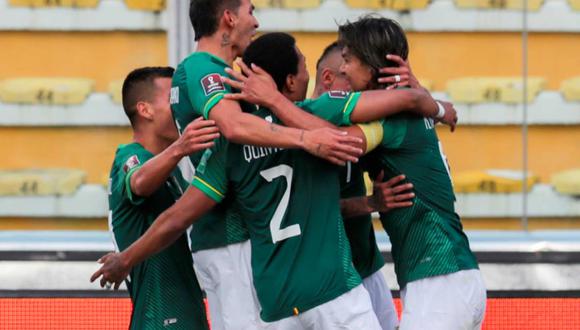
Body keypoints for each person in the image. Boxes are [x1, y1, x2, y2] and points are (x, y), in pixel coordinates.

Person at [90, 32, 447, 329]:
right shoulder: (316, 116)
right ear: (289, 82)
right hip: (334, 288)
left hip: (279, 304)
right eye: (304, 67)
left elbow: (177, 217)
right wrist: (441, 108)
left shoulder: (228, 149)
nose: (310, 76)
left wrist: (127, 258)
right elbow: (405, 102)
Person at [171, 1, 363, 328]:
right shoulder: (204, 67)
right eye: (250, 11)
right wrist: (305, 138)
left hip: (243, 239)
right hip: (230, 238)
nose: (256, 22)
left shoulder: (220, 73)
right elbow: (234, 126)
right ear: (229, 18)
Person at [338, 16, 487, 330]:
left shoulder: (392, 119)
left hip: (438, 278)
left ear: (374, 65)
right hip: (452, 276)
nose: (342, 69)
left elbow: (334, 141)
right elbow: (445, 109)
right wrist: (436, 104)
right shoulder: (413, 109)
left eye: (349, 60)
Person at [108, 66, 218, 329]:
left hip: (186, 308)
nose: (181, 107)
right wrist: (181, 148)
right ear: (145, 110)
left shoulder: (173, 173)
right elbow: (139, 182)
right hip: (159, 317)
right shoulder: (129, 156)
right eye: (173, 99)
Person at [315, 41, 400, 330]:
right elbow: (312, 209)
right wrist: (370, 204)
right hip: (332, 278)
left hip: (366, 263)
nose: (362, 90)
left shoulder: (356, 124)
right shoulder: (306, 133)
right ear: (329, 79)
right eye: (349, 78)